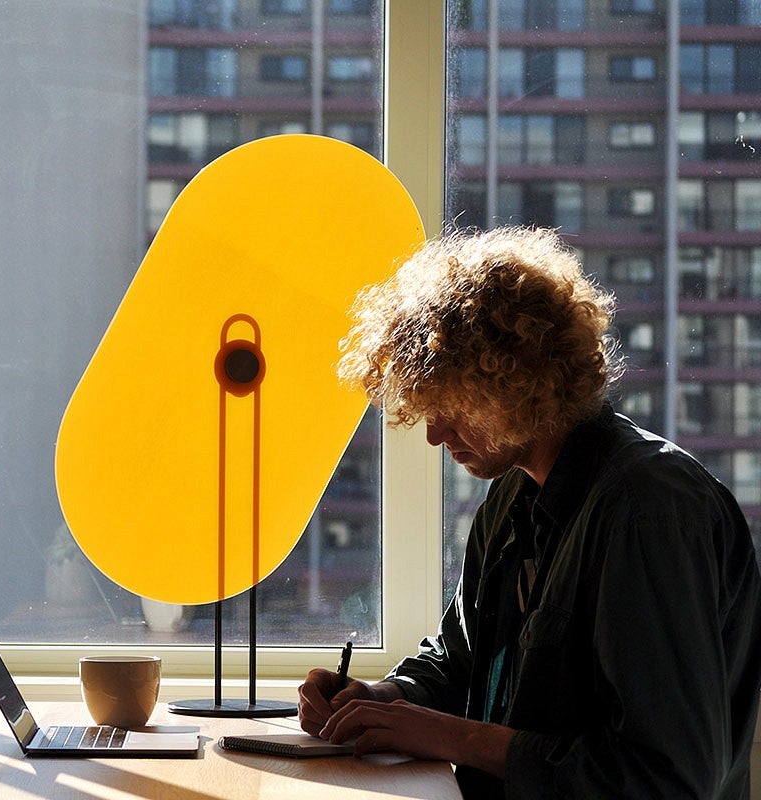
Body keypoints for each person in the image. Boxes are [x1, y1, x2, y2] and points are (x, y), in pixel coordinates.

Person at [299, 226, 761, 798]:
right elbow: (460, 660)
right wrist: (380, 701)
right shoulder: (512, 497)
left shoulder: (647, 510)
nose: (435, 433)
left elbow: (668, 776)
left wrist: (449, 737)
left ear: (520, 384)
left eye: (452, 406)